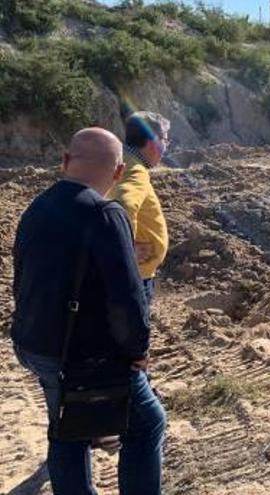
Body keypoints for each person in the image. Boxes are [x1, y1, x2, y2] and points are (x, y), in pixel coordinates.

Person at [11, 128, 165, 495]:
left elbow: (21, 276)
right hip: (84, 354)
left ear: (65, 162)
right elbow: (126, 298)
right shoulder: (106, 215)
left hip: (37, 346)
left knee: (67, 428)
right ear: (117, 173)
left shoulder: (37, 207)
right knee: (147, 425)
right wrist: (136, 350)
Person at [111, 111, 170, 306]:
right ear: (154, 142)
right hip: (135, 274)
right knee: (133, 331)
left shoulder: (123, 160)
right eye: (165, 140)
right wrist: (126, 252)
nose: (166, 146)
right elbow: (123, 205)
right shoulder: (135, 171)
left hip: (133, 271)